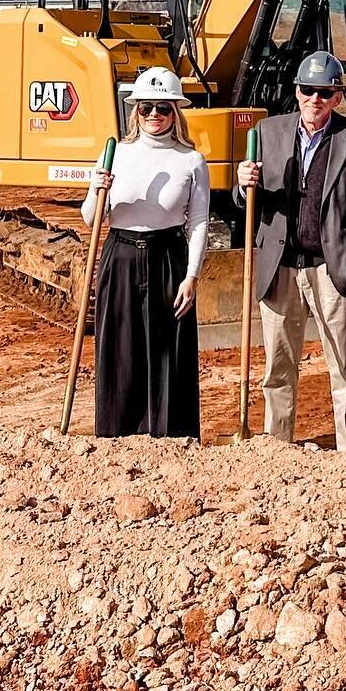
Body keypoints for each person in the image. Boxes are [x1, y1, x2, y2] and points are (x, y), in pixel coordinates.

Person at [235, 51, 346, 448]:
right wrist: (241, 184)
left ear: (337, 96)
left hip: (330, 269)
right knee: (278, 369)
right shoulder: (267, 133)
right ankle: (277, 450)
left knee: (343, 371)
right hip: (280, 266)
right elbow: (246, 202)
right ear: (296, 92)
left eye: (324, 92)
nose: (314, 99)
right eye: (307, 90)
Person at [85, 67, 207, 439]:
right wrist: (95, 189)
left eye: (163, 108)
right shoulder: (116, 155)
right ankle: (116, 433)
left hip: (168, 257)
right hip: (120, 256)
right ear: (135, 111)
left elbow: (198, 223)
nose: (154, 115)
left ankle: (171, 434)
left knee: (168, 349)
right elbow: (93, 219)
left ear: (176, 112)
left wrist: (191, 276)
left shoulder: (191, 160)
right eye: (146, 107)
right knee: (120, 345)